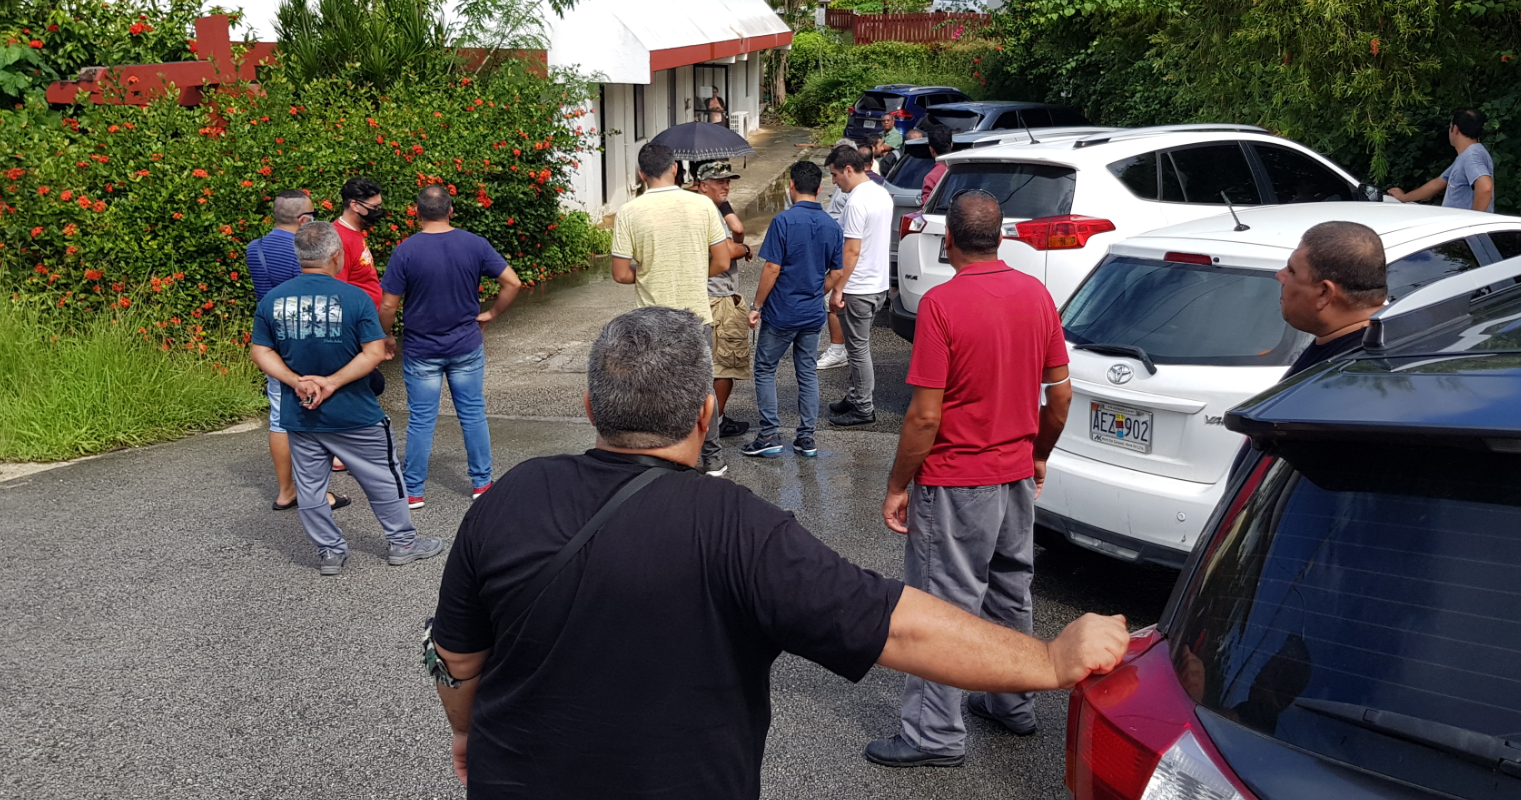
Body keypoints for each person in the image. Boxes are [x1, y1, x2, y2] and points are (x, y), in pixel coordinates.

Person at [426, 305, 1130, 798]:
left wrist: (466, 733)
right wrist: (1046, 661)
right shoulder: (737, 527)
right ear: (704, 414)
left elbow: (455, 659)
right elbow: (894, 624)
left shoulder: (510, 498)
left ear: (590, 408)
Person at [867, 191, 1073, 767]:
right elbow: (1060, 396)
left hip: (957, 479)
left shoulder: (942, 304)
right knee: (1012, 591)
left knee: (943, 606)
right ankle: (1011, 701)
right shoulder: (1036, 295)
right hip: (1013, 478)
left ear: (948, 239)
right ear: (1001, 236)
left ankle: (933, 734)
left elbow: (925, 415)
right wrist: (1038, 452)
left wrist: (897, 484)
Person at [249, 221, 445, 576]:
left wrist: (297, 381)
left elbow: (261, 352)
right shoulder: (354, 297)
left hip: (301, 412)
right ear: (336, 256)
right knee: (384, 476)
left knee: (310, 486)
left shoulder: (273, 300)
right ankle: (402, 543)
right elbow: (373, 352)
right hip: (356, 412)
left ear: (299, 257)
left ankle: (329, 552)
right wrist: (332, 382)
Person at [378, 185, 522, 510]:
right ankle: (482, 484)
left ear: (417, 213)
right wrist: (491, 313)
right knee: (472, 414)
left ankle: (413, 490)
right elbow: (512, 282)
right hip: (465, 344)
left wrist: (385, 335)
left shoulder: (406, 251)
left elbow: (388, 305)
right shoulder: (474, 244)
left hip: (421, 349)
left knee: (421, 419)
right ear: (451, 210)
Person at [611, 142, 745, 476]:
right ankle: (712, 458)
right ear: (674, 169)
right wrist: (692, 271)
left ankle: (660, 453)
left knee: (653, 387)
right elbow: (723, 259)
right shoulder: (702, 206)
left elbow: (620, 273)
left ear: (641, 174)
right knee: (702, 387)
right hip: (696, 314)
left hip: (650, 318)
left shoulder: (629, 211)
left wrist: (650, 272)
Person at [246, 190, 349, 513]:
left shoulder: (255, 248)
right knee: (315, 412)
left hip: (272, 337)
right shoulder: (301, 253)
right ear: (304, 220)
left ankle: (286, 490)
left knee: (279, 417)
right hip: (306, 337)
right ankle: (318, 493)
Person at [741, 161, 844, 459]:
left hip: (781, 312)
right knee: (807, 372)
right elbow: (837, 273)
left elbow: (772, 268)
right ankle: (806, 438)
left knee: (765, 368)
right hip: (812, 314)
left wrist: (756, 306)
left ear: (792, 186)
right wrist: (816, 292)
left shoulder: (783, 222)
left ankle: (769, 434)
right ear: (820, 188)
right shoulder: (832, 226)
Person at [826, 146, 894, 427]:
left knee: (858, 350)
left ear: (849, 170)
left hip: (859, 286)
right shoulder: (881, 193)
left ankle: (864, 408)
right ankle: (854, 396)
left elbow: (851, 251)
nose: (833, 181)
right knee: (858, 347)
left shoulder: (855, 202)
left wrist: (838, 288)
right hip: (877, 282)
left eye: (834, 174)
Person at [1277, 220, 1388, 378]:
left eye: (1292, 271)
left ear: (1324, 293)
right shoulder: (1406, 336)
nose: (1280, 275)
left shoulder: (1344, 378)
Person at [694, 161, 756, 440]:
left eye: (728, 181)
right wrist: (742, 248)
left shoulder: (705, 208)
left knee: (708, 363)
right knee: (725, 365)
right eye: (719, 181)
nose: (726, 185)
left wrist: (726, 209)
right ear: (702, 184)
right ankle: (714, 425)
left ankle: (707, 420)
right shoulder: (706, 213)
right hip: (718, 296)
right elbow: (727, 249)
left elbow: (737, 228)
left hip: (703, 293)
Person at [1388, 109, 1495, 213]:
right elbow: (1436, 184)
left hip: (1467, 228)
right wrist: (1404, 197)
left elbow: (1485, 187)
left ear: (1455, 129)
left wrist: (1474, 219)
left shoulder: (1472, 155)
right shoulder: (1465, 156)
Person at [818, 139, 861, 372]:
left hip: (843, 253)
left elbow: (852, 242)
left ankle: (837, 349)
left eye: (835, 173)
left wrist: (839, 283)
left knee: (833, 302)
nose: (833, 180)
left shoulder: (853, 195)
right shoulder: (848, 190)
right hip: (839, 250)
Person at [334, 176, 386, 308]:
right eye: (374, 207)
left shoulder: (354, 232)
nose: (378, 210)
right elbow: (337, 290)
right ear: (355, 206)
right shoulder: (340, 239)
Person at [919, 124, 953, 206]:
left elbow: (926, 207)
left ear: (931, 149)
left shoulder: (932, 177)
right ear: (951, 145)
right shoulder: (964, 169)